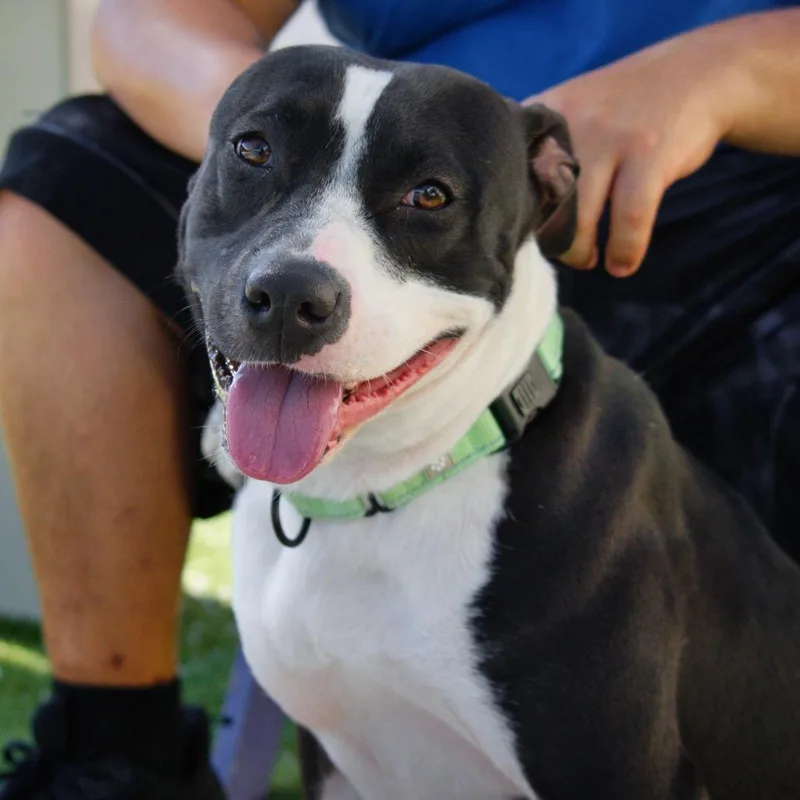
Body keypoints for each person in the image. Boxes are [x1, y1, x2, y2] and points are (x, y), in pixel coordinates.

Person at [0, 0, 797, 796]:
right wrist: (262, 116)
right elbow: (152, 16)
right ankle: (110, 752)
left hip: (753, 204)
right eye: (250, 150)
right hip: (474, 188)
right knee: (64, 172)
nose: (301, 281)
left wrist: (720, 75)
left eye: (427, 195)